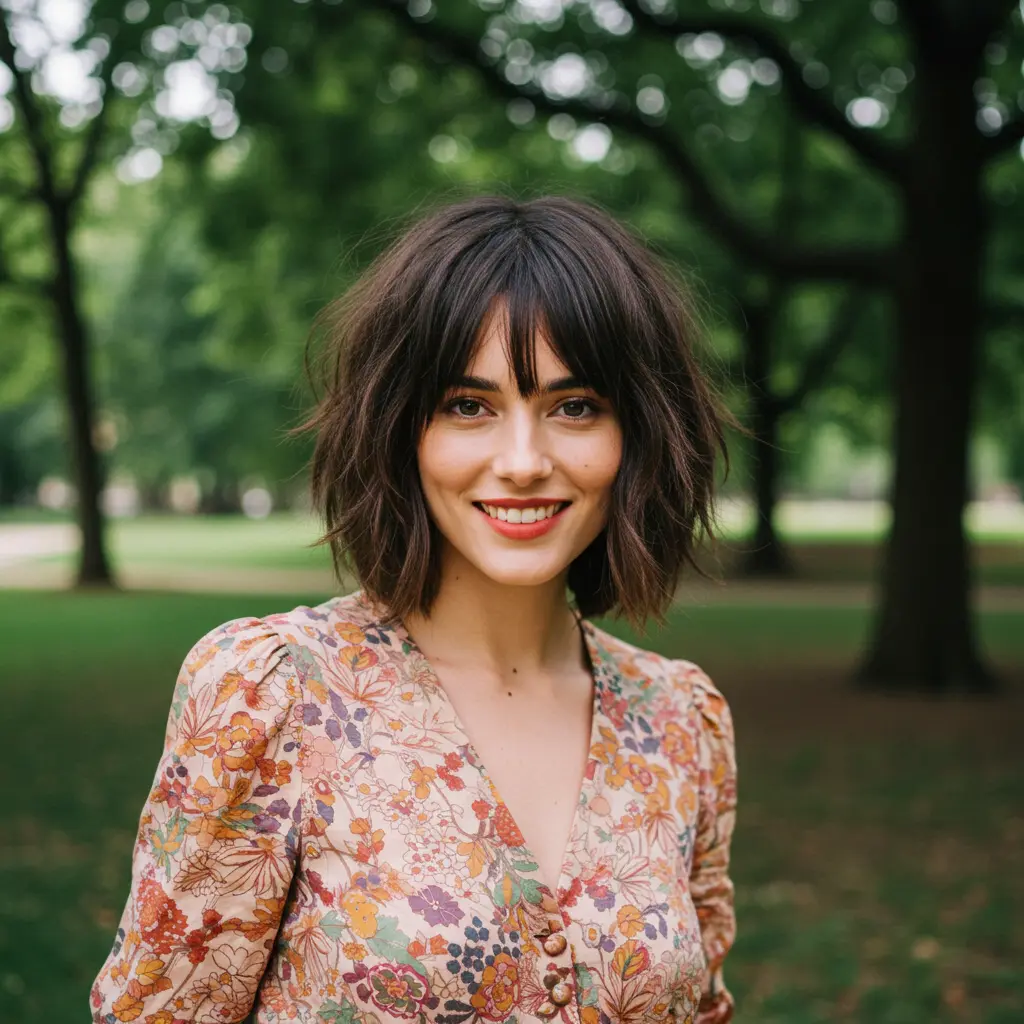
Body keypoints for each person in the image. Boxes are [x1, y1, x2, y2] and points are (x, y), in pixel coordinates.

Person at [91, 194, 739, 1024]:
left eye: (574, 407)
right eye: (468, 406)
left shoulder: (682, 722)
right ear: (401, 430)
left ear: (638, 434)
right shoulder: (273, 694)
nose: (522, 461)